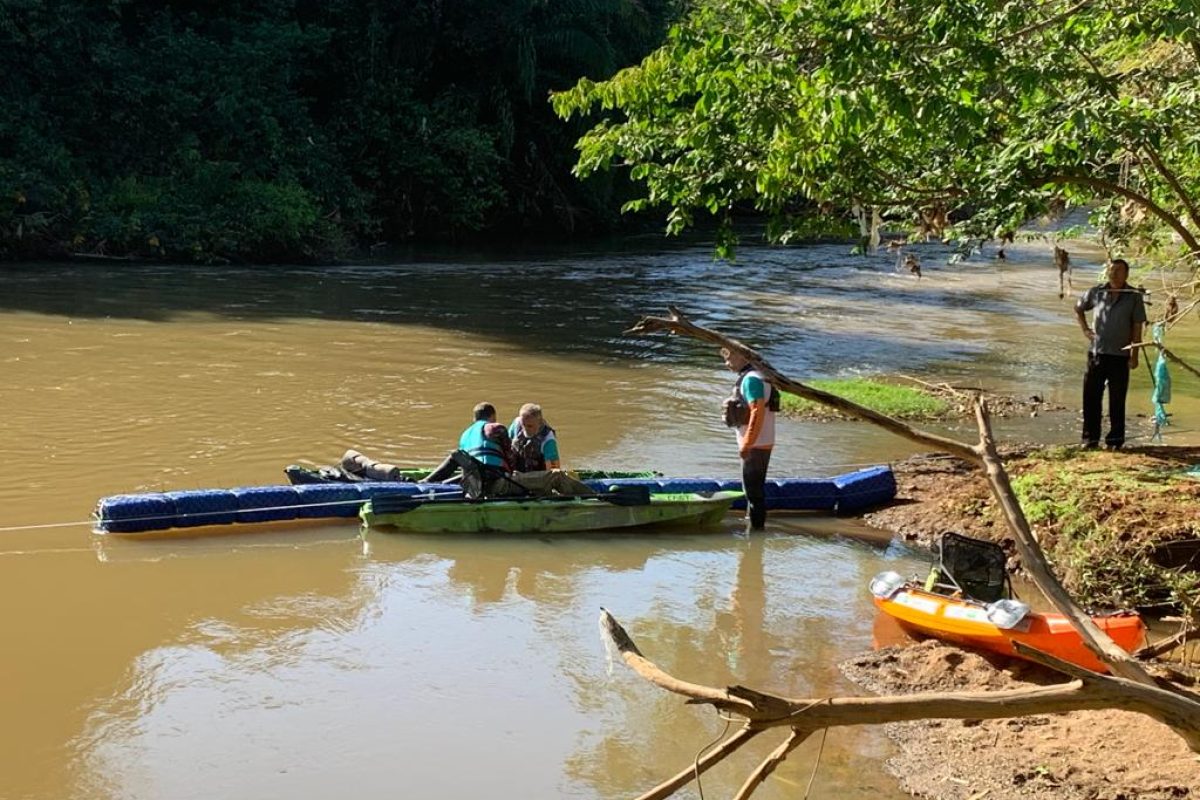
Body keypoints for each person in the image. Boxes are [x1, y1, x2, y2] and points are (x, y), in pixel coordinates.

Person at [1074, 258, 1147, 450]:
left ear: (1126, 274)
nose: (1114, 274)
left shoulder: (1133, 296)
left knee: (1117, 399)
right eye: (1111, 270)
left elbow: (1137, 327)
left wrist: (1135, 355)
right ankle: (1090, 439)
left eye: (1119, 270)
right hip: (1097, 353)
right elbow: (1078, 308)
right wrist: (1086, 331)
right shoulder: (1097, 292)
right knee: (1091, 397)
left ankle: (1115, 441)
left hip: (1120, 355)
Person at [720, 346, 779, 530]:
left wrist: (747, 443)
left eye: (730, 358)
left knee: (753, 494)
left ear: (743, 357)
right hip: (762, 441)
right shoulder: (761, 376)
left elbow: (757, 412)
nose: (726, 363)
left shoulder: (751, 380)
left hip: (756, 444)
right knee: (754, 491)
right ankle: (753, 531)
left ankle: (755, 536)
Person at [422, 402, 513, 483]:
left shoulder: (465, 434)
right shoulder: (496, 427)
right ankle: (439, 483)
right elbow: (509, 455)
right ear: (493, 416)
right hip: (495, 474)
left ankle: (428, 481)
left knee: (455, 455)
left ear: (474, 419)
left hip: (476, 473)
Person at [508, 403, 561, 472]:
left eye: (530, 426)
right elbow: (505, 445)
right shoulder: (516, 424)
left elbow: (554, 469)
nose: (525, 429)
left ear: (539, 423)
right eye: (523, 424)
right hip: (516, 472)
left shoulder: (548, 439)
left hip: (537, 475)